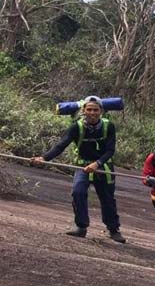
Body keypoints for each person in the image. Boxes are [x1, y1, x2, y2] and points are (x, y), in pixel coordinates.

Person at [31, 95, 125, 242]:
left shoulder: (109, 126)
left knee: (107, 199)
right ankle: (81, 227)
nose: (92, 113)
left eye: (96, 110)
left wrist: (97, 164)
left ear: (101, 111)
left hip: (103, 167)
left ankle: (113, 230)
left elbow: (110, 151)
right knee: (78, 192)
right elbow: (62, 144)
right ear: (84, 110)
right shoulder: (76, 127)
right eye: (89, 110)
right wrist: (44, 158)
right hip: (82, 165)